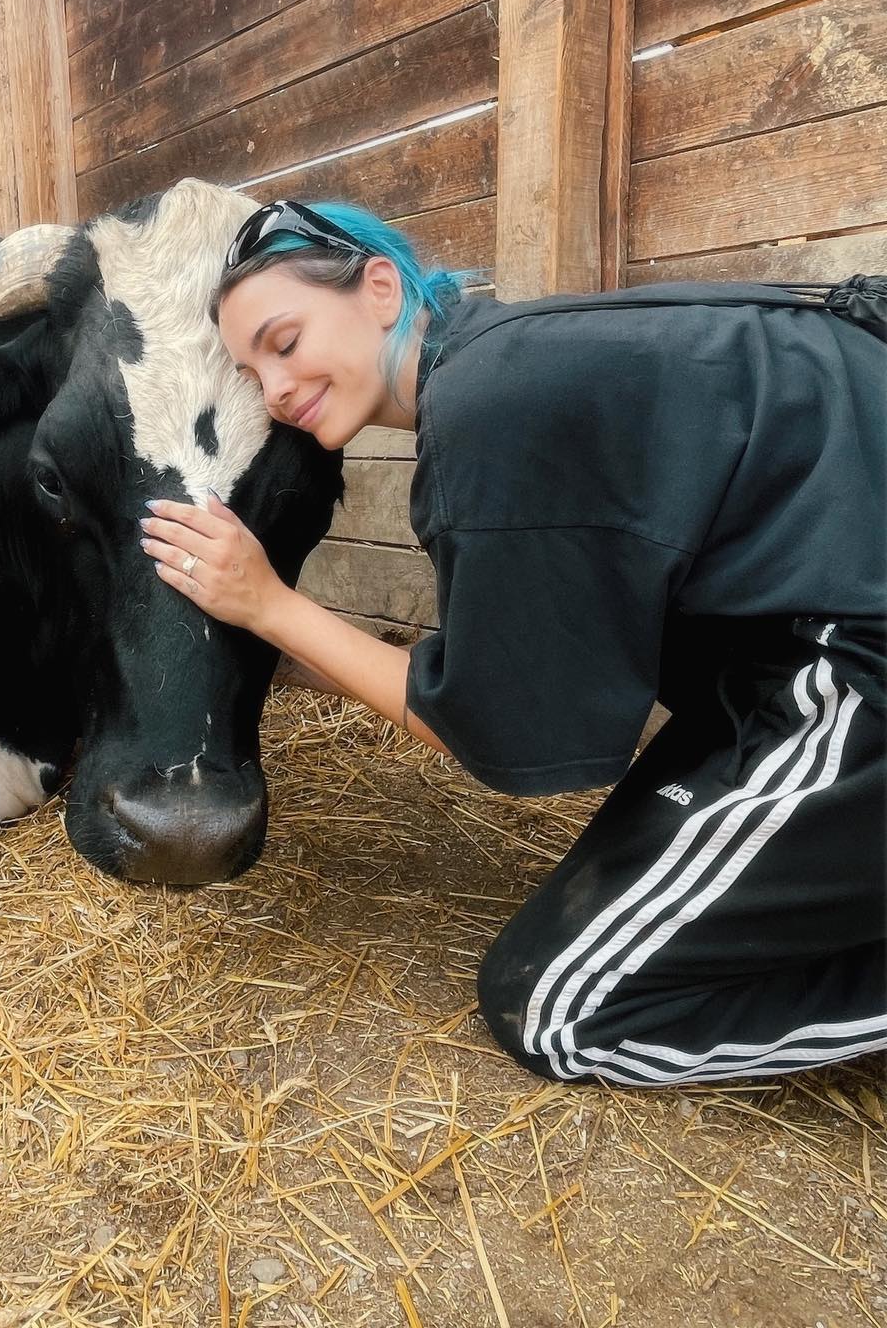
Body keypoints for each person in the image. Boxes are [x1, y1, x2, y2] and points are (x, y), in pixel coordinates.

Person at [140, 198, 886, 1087]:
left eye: (285, 339)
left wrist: (267, 604)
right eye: (250, 369)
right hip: (786, 656)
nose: (275, 389)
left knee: (561, 1006)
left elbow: (495, 727)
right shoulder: (521, 353)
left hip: (849, 668)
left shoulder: (489, 407)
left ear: (381, 288)